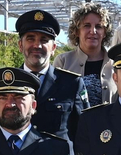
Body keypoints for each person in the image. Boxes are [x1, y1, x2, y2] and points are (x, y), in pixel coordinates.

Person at [11, 9, 83, 139]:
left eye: (44, 40)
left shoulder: (72, 84)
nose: (37, 45)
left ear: (53, 48)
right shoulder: (6, 84)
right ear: (20, 45)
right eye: (30, 38)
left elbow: (83, 132)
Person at [53, 1, 115, 108]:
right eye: (87, 26)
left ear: (105, 32)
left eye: (99, 26)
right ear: (76, 31)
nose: (93, 31)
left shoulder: (116, 63)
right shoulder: (62, 61)